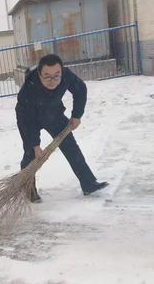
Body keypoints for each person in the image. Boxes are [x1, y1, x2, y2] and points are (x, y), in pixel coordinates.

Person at [16, 54, 108, 202]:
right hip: (28, 117)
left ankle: (88, 183)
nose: (52, 81)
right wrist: (35, 144)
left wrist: (77, 115)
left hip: (53, 112)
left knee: (70, 146)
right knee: (30, 154)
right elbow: (28, 122)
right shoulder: (28, 90)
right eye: (47, 76)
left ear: (61, 71)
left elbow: (80, 90)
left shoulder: (66, 75)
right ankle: (30, 191)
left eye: (56, 76)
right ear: (39, 74)